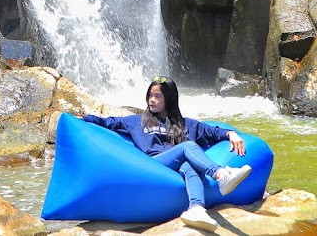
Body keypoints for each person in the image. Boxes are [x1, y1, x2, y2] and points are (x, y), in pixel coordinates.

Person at [82, 76, 252, 231]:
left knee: (189, 165)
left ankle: (197, 209)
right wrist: (83, 119)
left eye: (158, 96)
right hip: (154, 164)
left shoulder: (186, 125)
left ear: (169, 99)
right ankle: (220, 174)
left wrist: (231, 133)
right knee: (187, 147)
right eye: (150, 95)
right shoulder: (137, 121)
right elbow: (109, 122)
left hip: (177, 168)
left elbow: (212, 132)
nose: (152, 100)